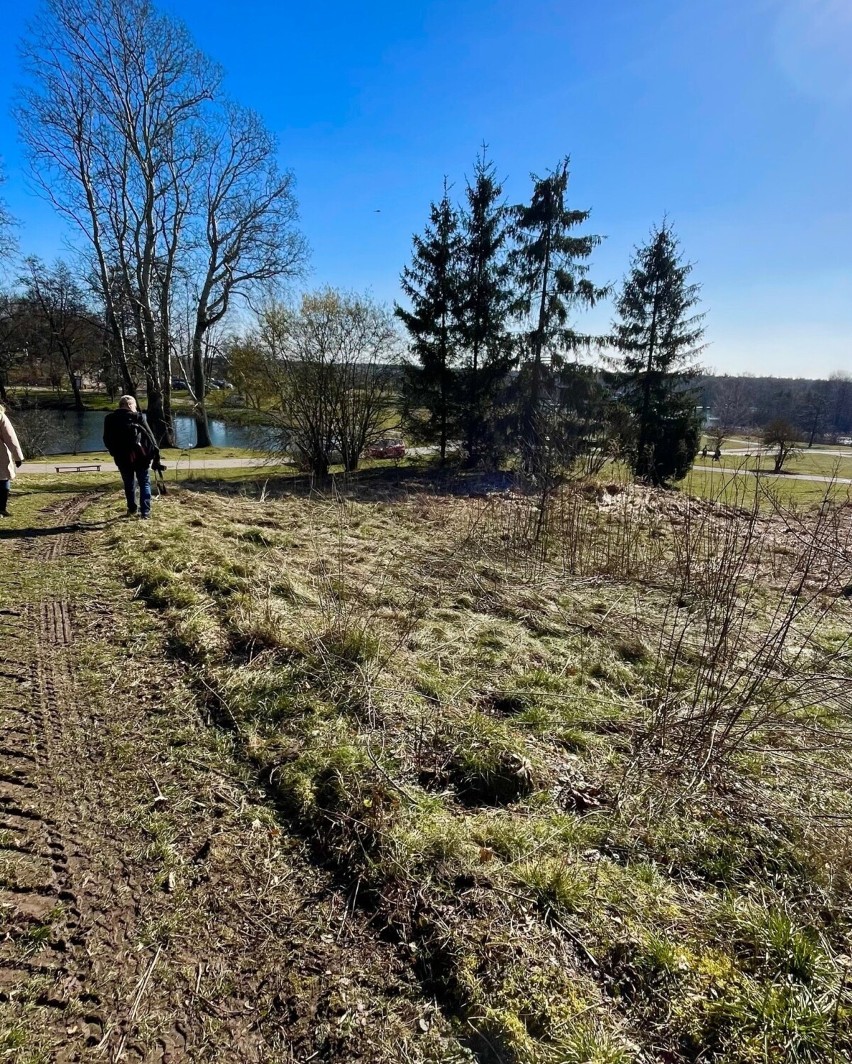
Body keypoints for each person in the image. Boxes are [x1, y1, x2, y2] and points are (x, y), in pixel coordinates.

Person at [103, 395, 160, 519]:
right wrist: (154, 454)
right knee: (144, 482)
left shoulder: (110, 419)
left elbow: (106, 439)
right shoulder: (138, 417)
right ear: (130, 405)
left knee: (129, 483)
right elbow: (150, 437)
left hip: (122, 458)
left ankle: (132, 508)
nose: (136, 407)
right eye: (134, 405)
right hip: (141, 457)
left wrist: (114, 452)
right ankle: (145, 512)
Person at [0, 405, 25, 519]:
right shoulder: (1, 416)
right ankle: (1, 508)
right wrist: (18, 457)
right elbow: (10, 437)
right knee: (3, 479)